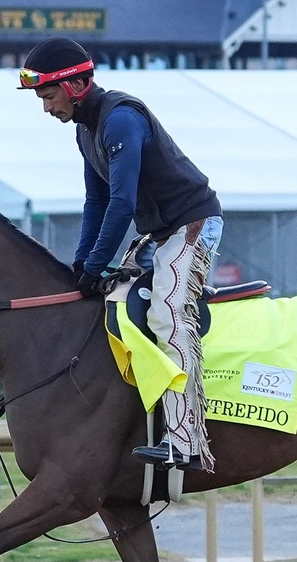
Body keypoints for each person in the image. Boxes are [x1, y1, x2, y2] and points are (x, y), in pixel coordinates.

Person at [18, 38, 223, 471]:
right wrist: (82, 264)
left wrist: (97, 264)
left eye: (49, 96)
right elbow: (96, 202)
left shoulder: (122, 120)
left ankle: (186, 443)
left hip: (193, 224)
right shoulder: (85, 130)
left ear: (74, 86)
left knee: (167, 314)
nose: (46, 108)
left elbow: (122, 204)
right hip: (159, 234)